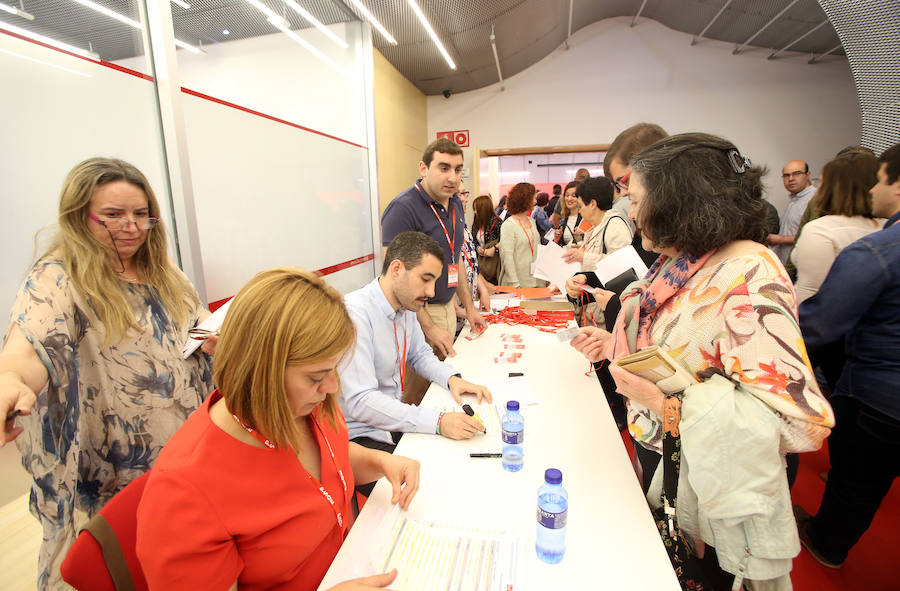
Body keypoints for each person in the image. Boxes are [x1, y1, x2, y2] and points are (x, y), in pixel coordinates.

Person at [571, 133, 834, 588]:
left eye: (637, 201)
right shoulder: (689, 259)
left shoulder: (747, 276)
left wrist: (664, 404)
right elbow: (683, 342)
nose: (632, 214)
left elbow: (799, 423)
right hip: (668, 455)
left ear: (676, 201)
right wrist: (617, 340)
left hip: (709, 485)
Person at [0, 157, 215, 589]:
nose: (131, 227)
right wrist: (11, 381)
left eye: (141, 214)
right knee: (121, 560)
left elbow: (190, 325)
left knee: (179, 552)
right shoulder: (58, 279)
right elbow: (30, 346)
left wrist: (212, 337)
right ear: (79, 215)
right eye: (113, 215)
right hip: (116, 460)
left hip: (182, 442)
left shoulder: (160, 270)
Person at [136, 267, 421, 590]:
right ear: (261, 372)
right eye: (316, 377)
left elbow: (331, 459)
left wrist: (380, 461)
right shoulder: (184, 492)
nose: (332, 387)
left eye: (334, 369)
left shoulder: (303, 404)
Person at [795, 143, 900, 570]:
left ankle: (827, 544)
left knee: (856, 482)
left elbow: (821, 322)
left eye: (881, 179)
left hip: (878, 393)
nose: (873, 188)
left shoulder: (877, 250)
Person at [340, 233, 492, 483]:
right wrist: (438, 422)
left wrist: (452, 378)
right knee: (435, 483)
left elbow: (419, 354)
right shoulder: (356, 314)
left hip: (389, 425)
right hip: (360, 440)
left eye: (434, 282)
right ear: (396, 269)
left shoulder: (406, 303)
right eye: (425, 279)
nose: (430, 292)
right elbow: (361, 401)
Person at [381, 138, 487, 404]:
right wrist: (427, 326)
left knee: (440, 388)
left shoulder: (454, 204)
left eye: (458, 169)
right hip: (416, 313)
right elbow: (395, 277)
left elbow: (455, 258)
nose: (452, 177)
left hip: (447, 307)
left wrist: (469, 307)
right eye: (443, 168)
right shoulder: (403, 208)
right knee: (416, 393)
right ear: (423, 168)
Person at [791, 152, 882, 303]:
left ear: (833, 188)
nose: (818, 188)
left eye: (822, 182)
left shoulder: (821, 230)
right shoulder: (886, 227)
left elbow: (810, 293)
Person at [562, 177, 632, 272]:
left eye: (580, 206)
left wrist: (584, 257)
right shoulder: (596, 227)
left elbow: (622, 263)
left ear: (592, 204)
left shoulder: (615, 225)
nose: (580, 211)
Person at [453, 181, 491, 320]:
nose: (465, 199)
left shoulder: (463, 227)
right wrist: (458, 310)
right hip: (454, 310)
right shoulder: (442, 230)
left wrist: (483, 290)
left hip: (466, 306)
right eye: (459, 194)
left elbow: (472, 264)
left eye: (465, 193)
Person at [768, 160, 817, 264]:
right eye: (786, 175)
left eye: (797, 173)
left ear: (808, 175)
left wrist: (781, 239)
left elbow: (813, 237)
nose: (791, 179)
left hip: (800, 265)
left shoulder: (814, 199)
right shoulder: (795, 199)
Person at [499, 182, 545, 288]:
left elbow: (537, 249)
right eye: (533, 198)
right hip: (518, 283)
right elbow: (507, 257)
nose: (535, 202)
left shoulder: (532, 221)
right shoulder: (508, 225)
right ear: (525, 200)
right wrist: (515, 284)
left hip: (537, 281)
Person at [472, 195, 502, 284]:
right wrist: (478, 248)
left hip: (494, 264)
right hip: (481, 263)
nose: (475, 212)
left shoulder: (497, 222)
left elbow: (505, 240)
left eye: (476, 209)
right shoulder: (476, 222)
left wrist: (494, 249)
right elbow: (473, 240)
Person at [554, 181, 583, 246]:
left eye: (574, 196)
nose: (569, 199)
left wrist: (584, 234)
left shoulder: (586, 219)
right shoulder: (564, 219)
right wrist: (557, 238)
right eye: (567, 195)